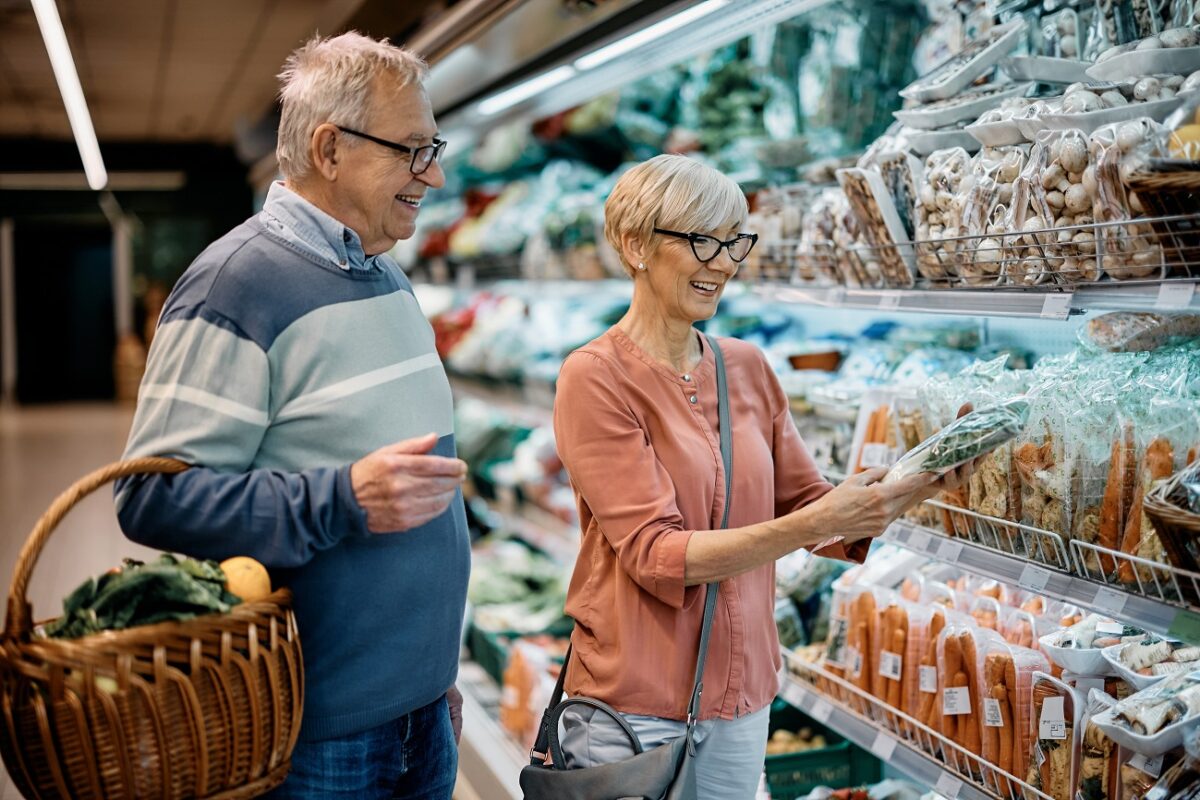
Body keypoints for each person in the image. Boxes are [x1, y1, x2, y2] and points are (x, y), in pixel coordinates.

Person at [551, 154, 974, 798]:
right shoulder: (596, 378)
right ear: (635, 245)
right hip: (633, 707)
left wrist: (917, 484)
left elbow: (815, 511)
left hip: (744, 697)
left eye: (734, 242)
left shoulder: (746, 367)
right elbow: (656, 555)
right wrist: (819, 519)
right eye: (703, 241)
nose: (724, 263)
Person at [115, 32, 467, 800]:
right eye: (411, 150)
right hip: (317, 732)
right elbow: (150, 495)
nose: (433, 174)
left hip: (423, 712)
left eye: (432, 147)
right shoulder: (233, 286)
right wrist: (340, 498)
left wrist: (435, 681)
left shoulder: (385, 274)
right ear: (330, 147)